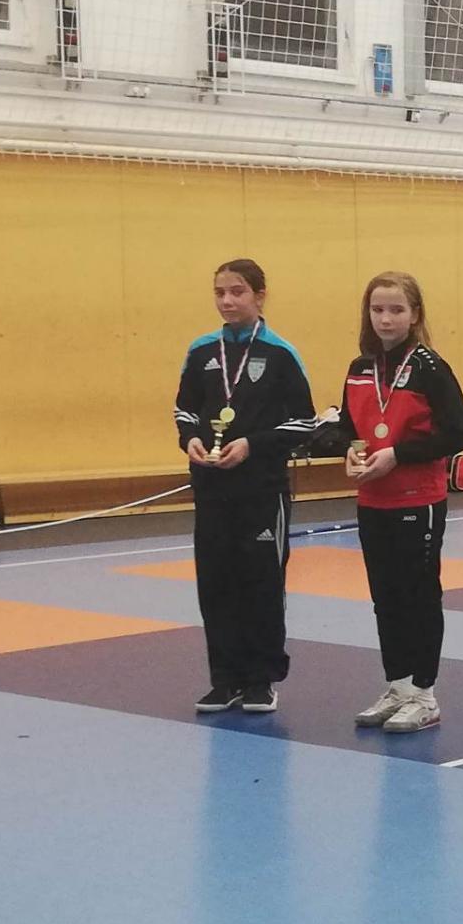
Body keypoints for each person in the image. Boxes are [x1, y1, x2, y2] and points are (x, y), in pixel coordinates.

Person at [317, 272, 463, 733]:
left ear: (415, 314)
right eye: (378, 309)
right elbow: (348, 426)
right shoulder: (359, 368)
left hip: (418, 499)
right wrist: (347, 449)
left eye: (396, 310)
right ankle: (398, 685)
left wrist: (397, 454)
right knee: (385, 597)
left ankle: (424, 694)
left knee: (418, 596)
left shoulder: (430, 368)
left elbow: (458, 434)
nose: (386, 319)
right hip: (373, 499)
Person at [173, 258, 316, 715]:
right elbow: (184, 410)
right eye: (220, 292)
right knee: (216, 583)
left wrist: (253, 445)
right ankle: (225, 679)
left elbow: (304, 422)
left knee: (261, 583)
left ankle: (261, 679)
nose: (227, 301)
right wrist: (191, 439)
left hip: (262, 491)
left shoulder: (280, 354)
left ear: (259, 295)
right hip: (212, 488)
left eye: (237, 292)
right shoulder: (201, 351)